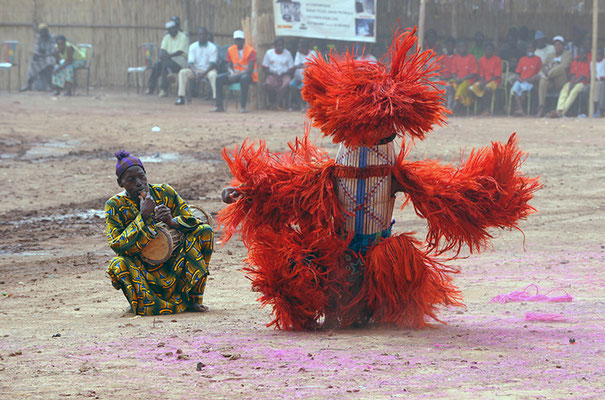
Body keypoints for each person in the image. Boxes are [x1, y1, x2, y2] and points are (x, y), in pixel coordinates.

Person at [105, 151, 213, 316]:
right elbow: (117, 245)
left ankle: (194, 299)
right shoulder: (114, 205)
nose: (139, 183)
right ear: (121, 183)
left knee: (204, 232)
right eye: (131, 180)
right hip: (143, 266)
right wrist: (142, 217)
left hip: (174, 262)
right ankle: (140, 301)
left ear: (146, 175)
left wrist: (172, 222)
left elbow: (192, 220)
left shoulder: (164, 192)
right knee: (118, 264)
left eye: (142, 177)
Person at [212, 30, 257, 113]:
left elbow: (250, 70)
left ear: (243, 40)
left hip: (247, 75)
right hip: (235, 74)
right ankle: (219, 106)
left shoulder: (250, 51)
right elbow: (229, 65)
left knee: (244, 78)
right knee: (218, 78)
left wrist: (236, 76)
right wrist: (231, 72)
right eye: (236, 39)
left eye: (240, 39)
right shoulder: (231, 50)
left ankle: (243, 106)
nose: (238, 41)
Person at [175, 27, 218, 105]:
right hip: (195, 70)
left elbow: (212, 64)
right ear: (198, 36)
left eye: (203, 34)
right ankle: (181, 98)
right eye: (200, 34)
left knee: (213, 75)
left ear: (207, 35)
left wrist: (204, 73)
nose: (202, 36)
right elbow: (190, 63)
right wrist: (195, 73)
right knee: (182, 72)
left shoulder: (212, 47)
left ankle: (216, 99)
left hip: (208, 70)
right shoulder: (193, 46)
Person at [146, 21, 189, 97]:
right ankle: (151, 88)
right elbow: (163, 50)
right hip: (168, 60)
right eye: (169, 30)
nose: (171, 31)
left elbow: (180, 52)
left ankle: (164, 90)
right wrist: (163, 55)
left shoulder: (183, 37)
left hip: (180, 61)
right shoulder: (166, 37)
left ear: (176, 28)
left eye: (172, 29)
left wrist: (168, 56)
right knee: (156, 65)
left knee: (165, 64)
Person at [548, 46, 590, 118]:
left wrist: (574, 84)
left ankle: (562, 112)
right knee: (564, 90)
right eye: (580, 53)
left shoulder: (587, 62)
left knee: (573, 92)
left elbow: (583, 76)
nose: (581, 54)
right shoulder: (575, 61)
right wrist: (572, 83)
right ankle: (558, 110)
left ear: (586, 54)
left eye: (583, 53)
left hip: (582, 83)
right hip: (573, 81)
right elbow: (573, 73)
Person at [536, 36, 572, 117]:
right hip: (551, 81)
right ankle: (541, 107)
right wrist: (545, 70)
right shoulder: (550, 55)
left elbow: (565, 66)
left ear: (563, 46)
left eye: (559, 45)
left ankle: (547, 76)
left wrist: (549, 72)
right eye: (555, 45)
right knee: (542, 81)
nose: (557, 47)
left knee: (560, 68)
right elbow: (544, 66)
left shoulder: (568, 54)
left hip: (561, 80)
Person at [510, 41, 542, 116]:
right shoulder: (522, 59)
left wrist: (531, 79)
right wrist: (519, 79)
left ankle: (517, 109)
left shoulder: (538, 59)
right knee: (515, 89)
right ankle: (520, 109)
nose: (529, 50)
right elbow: (517, 73)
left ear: (534, 49)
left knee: (524, 89)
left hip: (530, 82)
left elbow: (539, 74)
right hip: (521, 80)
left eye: (531, 48)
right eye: (528, 48)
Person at [21, 23, 55, 92]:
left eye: (44, 31)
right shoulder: (39, 37)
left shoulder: (51, 37)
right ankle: (29, 84)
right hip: (41, 57)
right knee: (32, 63)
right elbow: (36, 49)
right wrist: (36, 55)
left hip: (50, 57)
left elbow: (52, 51)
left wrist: (43, 53)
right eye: (42, 31)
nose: (43, 33)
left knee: (49, 62)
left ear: (47, 31)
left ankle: (49, 84)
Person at [469, 43, 502, 115]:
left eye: (490, 49)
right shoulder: (481, 60)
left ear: (493, 51)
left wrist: (485, 83)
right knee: (471, 89)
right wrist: (482, 82)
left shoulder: (497, 60)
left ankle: (487, 108)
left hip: (494, 81)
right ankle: (481, 104)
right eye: (487, 49)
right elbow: (481, 74)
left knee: (488, 89)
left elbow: (496, 76)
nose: (488, 51)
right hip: (483, 81)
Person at [262, 37, 294, 110]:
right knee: (268, 84)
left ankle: (276, 104)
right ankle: (274, 103)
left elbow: (291, 69)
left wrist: (283, 73)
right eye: (279, 45)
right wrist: (273, 74)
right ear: (275, 46)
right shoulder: (269, 53)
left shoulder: (287, 53)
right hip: (272, 74)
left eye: (282, 45)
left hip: (284, 74)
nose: (281, 47)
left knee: (287, 83)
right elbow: (264, 68)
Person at [288, 39, 317, 111]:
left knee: (302, 86)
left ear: (305, 48)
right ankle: (301, 104)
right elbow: (296, 65)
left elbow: (315, 65)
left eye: (300, 47)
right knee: (292, 85)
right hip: (299, 77)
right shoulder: (298, 53)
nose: (298, 49)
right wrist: (305, 65)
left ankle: (306, 104)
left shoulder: (313, 53)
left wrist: (303, 65)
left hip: (309, 78)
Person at [451, 40, 478, 112]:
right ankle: (451, 105)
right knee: (450, 86)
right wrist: (456, 78)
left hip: (468, 80)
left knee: (462, 87)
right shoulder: (455, 58)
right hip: (457, 79)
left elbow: (474, 73)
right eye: (460, 46)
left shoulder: (472, 58)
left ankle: (454, 106)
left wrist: (462, 79)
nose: (461, 48)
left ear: (467, 48)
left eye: (463, 46)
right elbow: (453, 72)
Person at [438, 36, 457, 110]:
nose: (449, 47)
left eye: (451, 45)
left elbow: (456, 73)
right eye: (448, 45)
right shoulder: (442, 57)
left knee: (449, 87)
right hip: (442, 79)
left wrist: (448, 78)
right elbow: (438, 70)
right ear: (445, 46)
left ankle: (449, 108)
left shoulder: (457, 57)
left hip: (452, 80)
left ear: (454, 46)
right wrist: (440, 77)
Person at [591, 47, 605, 117]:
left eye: (600, 54)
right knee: (587, 89)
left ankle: (600, 109)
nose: (598, 55)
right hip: (595, 81)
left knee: (602, 86)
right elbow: (592, 74)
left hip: (603, 81)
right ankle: (592, 110)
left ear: (603, 55)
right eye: (597, 54)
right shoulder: (592, 63)